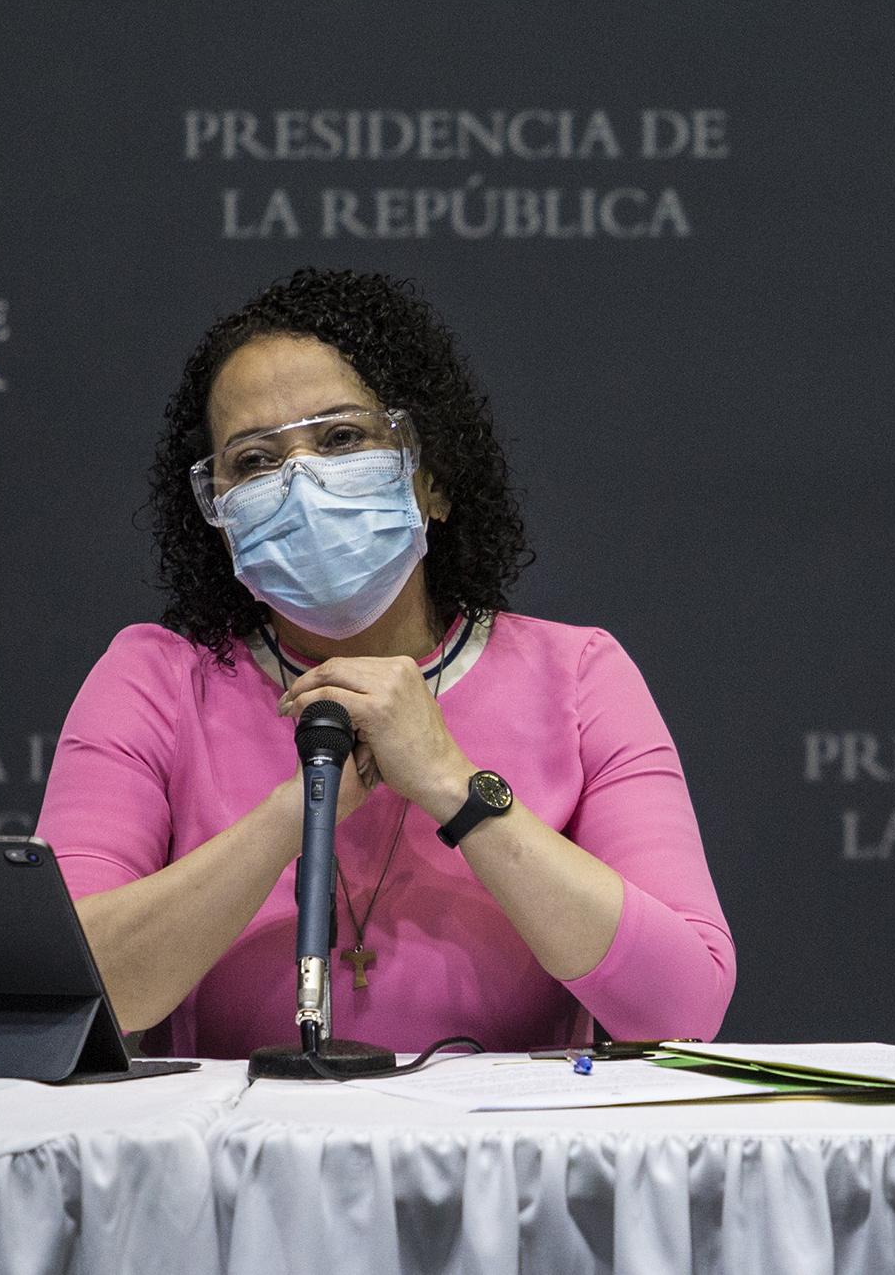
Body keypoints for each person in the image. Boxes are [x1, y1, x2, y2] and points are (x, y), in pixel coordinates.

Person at [37, 269, 734, 1058]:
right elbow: (75, 997)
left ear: (430, 478)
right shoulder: (155, 680)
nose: (301, 484)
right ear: (219, 517)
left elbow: (683, 1003)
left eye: (340, 440)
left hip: (504, 1173)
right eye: (257, 463)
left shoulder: (577, 677)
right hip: (229, 1171)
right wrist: (297, 810)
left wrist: (449, 783)